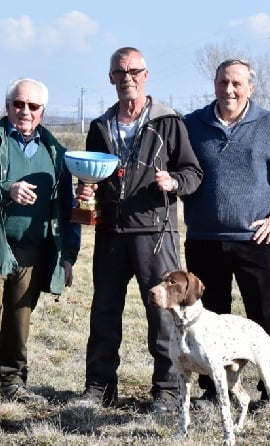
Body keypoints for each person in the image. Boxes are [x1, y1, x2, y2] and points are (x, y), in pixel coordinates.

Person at [182, 58, 270, 410]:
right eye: (223, 82)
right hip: (203, 240)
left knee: (264, 316)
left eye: (237, 83)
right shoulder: (192, 125)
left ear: (250, 88)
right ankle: (215, 391)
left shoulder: (268, 125)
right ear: (214, 84)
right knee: (208, 322)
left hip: (253, 241)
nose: (229, 89)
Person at [73, 47, 203, 413]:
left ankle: (167, 391)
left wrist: (173, 181)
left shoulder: (168, 121)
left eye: (134, 71)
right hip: (111, 232)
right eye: (119, 72)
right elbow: (92, 177)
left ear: (146, 75)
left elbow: (194, 174)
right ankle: (99, 389)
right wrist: (86, 191)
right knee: (104, 312)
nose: (126, 77)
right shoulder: (100, 127)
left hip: (156, 233)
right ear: (110, 78)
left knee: (163, 316)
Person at [0, 78, 80, 416]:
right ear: (7, 105)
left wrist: (67, 257)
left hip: (32, 252)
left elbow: (67, 209)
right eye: (18, 104)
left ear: (43, 111)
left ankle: (13, 383)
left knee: (18, 324)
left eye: (33, 106)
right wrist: (8, 190)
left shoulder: (56, 152)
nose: (25, 111)